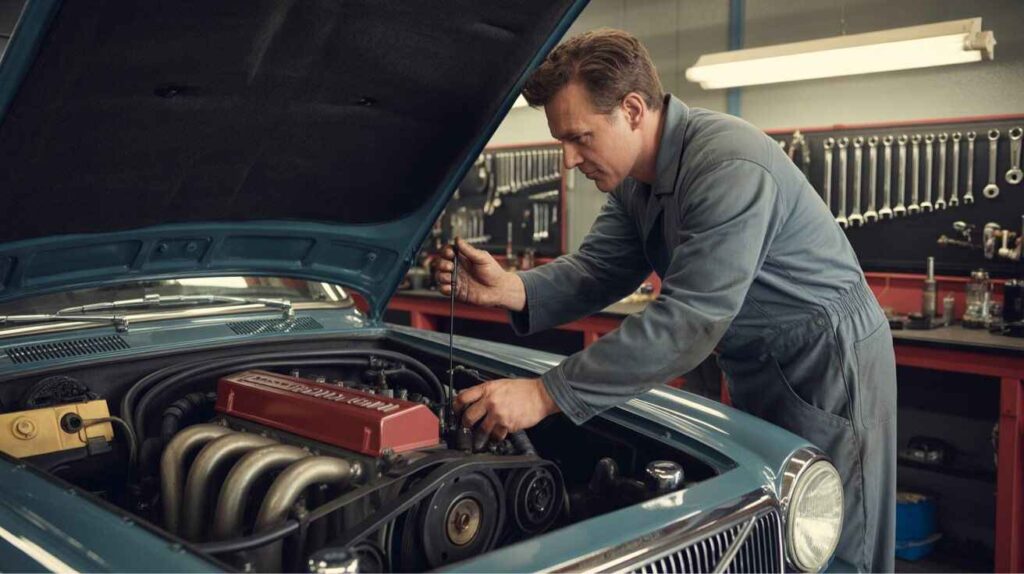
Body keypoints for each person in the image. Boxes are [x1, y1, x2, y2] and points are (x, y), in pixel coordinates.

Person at [435, 29, 896, 573]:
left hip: (825, 355)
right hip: (754, 353)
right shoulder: (637, 181)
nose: (567, 159)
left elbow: (688, 321)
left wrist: (544, 393)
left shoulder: (727, 165)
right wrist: (511, 287)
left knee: (829, 536)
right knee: (772, 532)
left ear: (632, 110)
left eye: (579, 137)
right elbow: (598, 269)